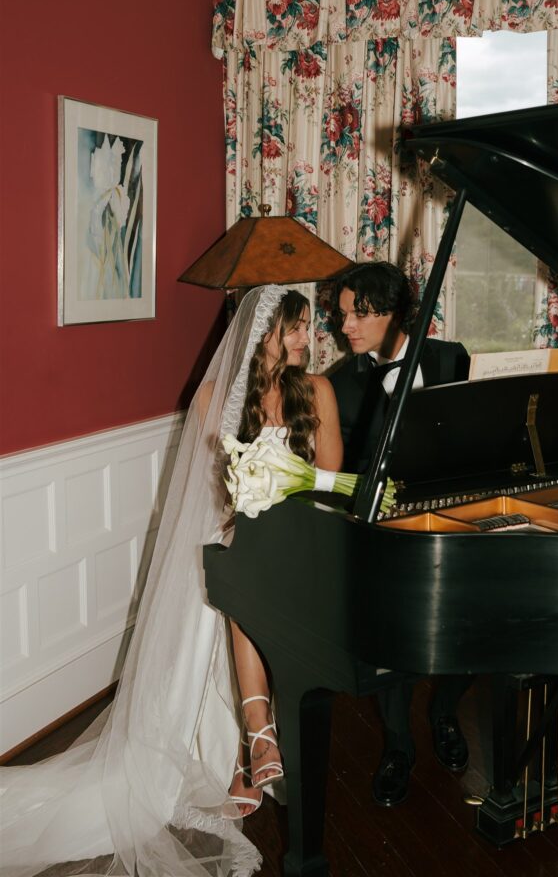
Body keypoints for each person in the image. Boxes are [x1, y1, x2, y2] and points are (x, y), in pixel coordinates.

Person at [0, 285, 343, 877]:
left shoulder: (319, 390)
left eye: (307, 326)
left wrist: (286, 494)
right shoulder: (216, 396)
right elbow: (213, 491)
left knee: (257, 589)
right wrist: (251, 512)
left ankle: (253, 744)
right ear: (260, 333)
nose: (304, 340)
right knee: (243, 585)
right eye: (292, 327)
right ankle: (247, 745)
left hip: (305, 537)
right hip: (241, 537)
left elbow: (333, 478)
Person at [330, 261, 472, 808]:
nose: (346, 327)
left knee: (474, 623)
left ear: (396, 315)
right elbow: (343, 474)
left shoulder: (453, 359)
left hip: (456, 518)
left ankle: (443, 713)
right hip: (387, 530)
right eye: (343, 315)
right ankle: (397, 745)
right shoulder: (342, 385)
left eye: (359, 314)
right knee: (390, 639)